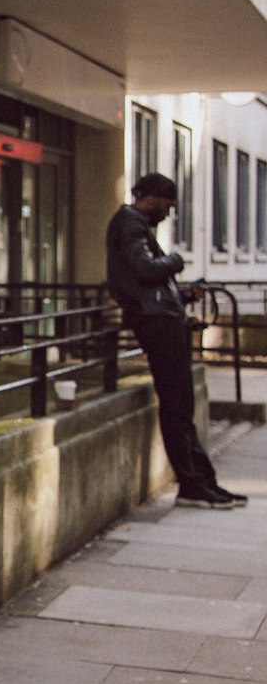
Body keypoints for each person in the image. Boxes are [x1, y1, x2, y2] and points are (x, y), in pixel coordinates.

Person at [106, 172, 246, 510]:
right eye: (167, 206)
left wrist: (180, 295)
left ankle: (202, 481)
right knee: (176, 405)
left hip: (163, 320)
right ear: (151, 199)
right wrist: (177, 261)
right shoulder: (131, 223)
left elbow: (146, 279)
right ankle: (193, 484)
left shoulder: (135, 224)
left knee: (181, 405)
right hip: (158, 325)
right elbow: (144, 269)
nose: (167, 214)